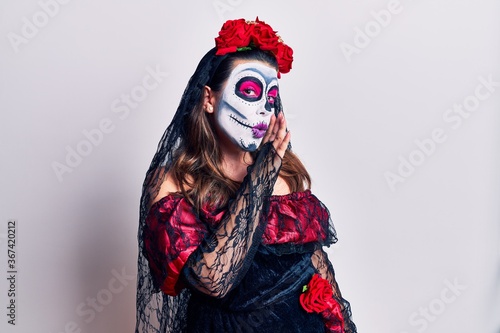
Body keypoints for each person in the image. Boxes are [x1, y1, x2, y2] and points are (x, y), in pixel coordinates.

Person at [135, 18, 357, 333]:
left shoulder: (287, 173)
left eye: (270, 98)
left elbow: (316, 268)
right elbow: (213, 280)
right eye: (250, 91)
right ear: (209, 99)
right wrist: (260, 177)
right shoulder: (173, 182)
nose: (264, 110)